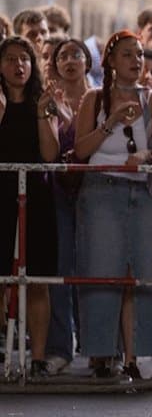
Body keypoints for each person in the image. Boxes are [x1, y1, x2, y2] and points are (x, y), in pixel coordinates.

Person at [74, 30, 152, 380]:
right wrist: (111, 122)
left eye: (140, 54)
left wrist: (144, 155)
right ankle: (101, 352)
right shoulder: (93, 99)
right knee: (101, 271)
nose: (136, 60)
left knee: (137, 274)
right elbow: (82, 150)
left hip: (140, 192)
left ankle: (132, 356)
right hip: (101, 191)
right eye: (127, 54)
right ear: (111, 61)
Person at [0, 37, 60, 378]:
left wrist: (41, 113)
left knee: (37, 279)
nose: (18, 65)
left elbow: (50, 154)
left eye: (24, 59)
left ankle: (38, 357)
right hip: (2, 193)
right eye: (10, 59)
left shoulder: (42, 101)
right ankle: (3, 347)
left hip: (35, 196)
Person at [44, 38, 92, 375]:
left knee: (94, 267)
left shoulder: (101, 97)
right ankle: (60, 347)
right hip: (58, 189)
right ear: (55, 64)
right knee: (60, 267)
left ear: (88, 62)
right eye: (63, 56)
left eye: (77, 54)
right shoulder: (48, 100)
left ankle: (97, 347)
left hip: (95, 188)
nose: (70, 60)